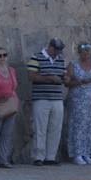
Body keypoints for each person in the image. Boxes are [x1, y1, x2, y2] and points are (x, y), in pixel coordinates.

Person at [65, 42, 91, 165]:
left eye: (88, 51)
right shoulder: (73, 65)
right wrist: (81, 81)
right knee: (78, 126)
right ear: (79, 53)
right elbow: (67, 82)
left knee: (90, 125)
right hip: (78, 100)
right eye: (83, 52)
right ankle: (77, 153)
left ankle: (87, 152)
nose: (86, 54)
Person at [27, 37, 68, 165]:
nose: (57, 52)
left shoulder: (60, 59)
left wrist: (65, 78)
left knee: (55, 128)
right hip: (41, 98)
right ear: (50, 47)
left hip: (57, 98)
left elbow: (63, 74)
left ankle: (51, 156)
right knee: (40, 129)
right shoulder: (36, 57)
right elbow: (31, 76)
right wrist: (50, 78)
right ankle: (38, 157)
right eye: (56, 50)